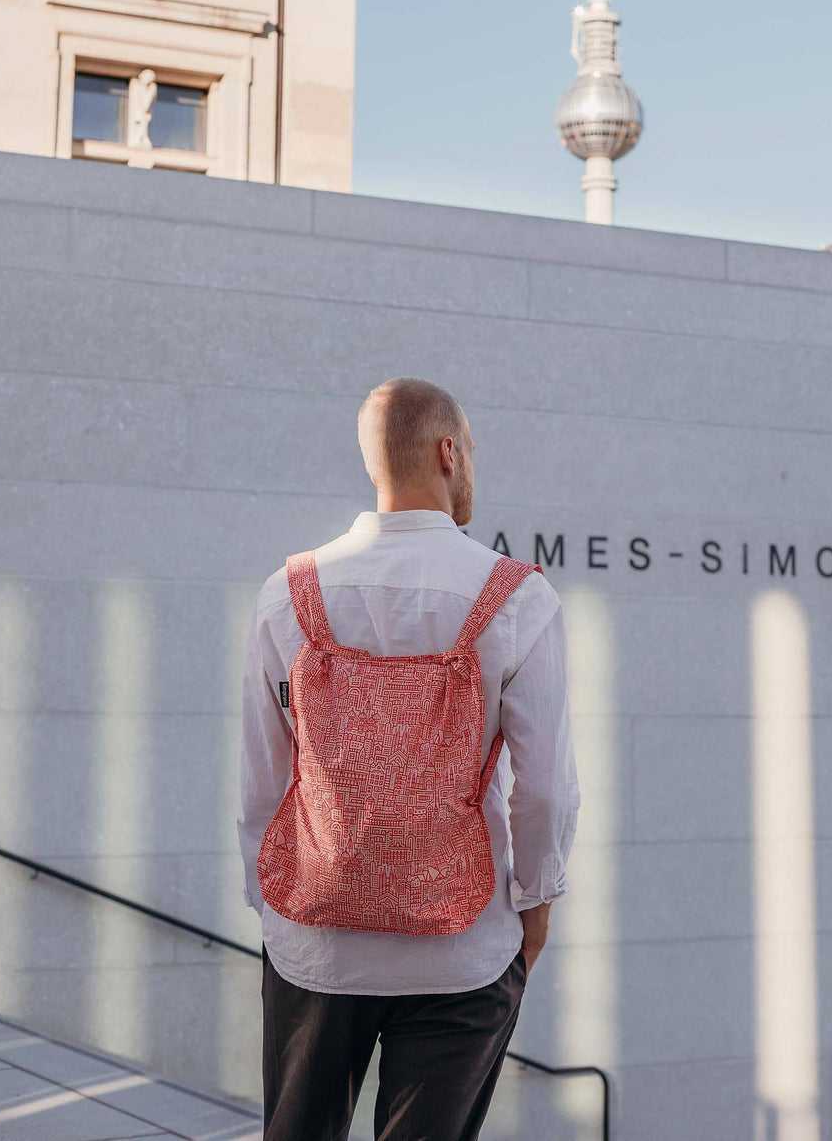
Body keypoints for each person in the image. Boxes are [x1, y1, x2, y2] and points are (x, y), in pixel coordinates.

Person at [236, 376, 581, 1141]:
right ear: (449, 451)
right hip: (463, 947)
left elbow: (263, 781)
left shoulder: (286, 594)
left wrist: (276, 912)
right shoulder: (516, 597)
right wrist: (535, 905)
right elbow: (548, 790)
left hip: (316, 941)